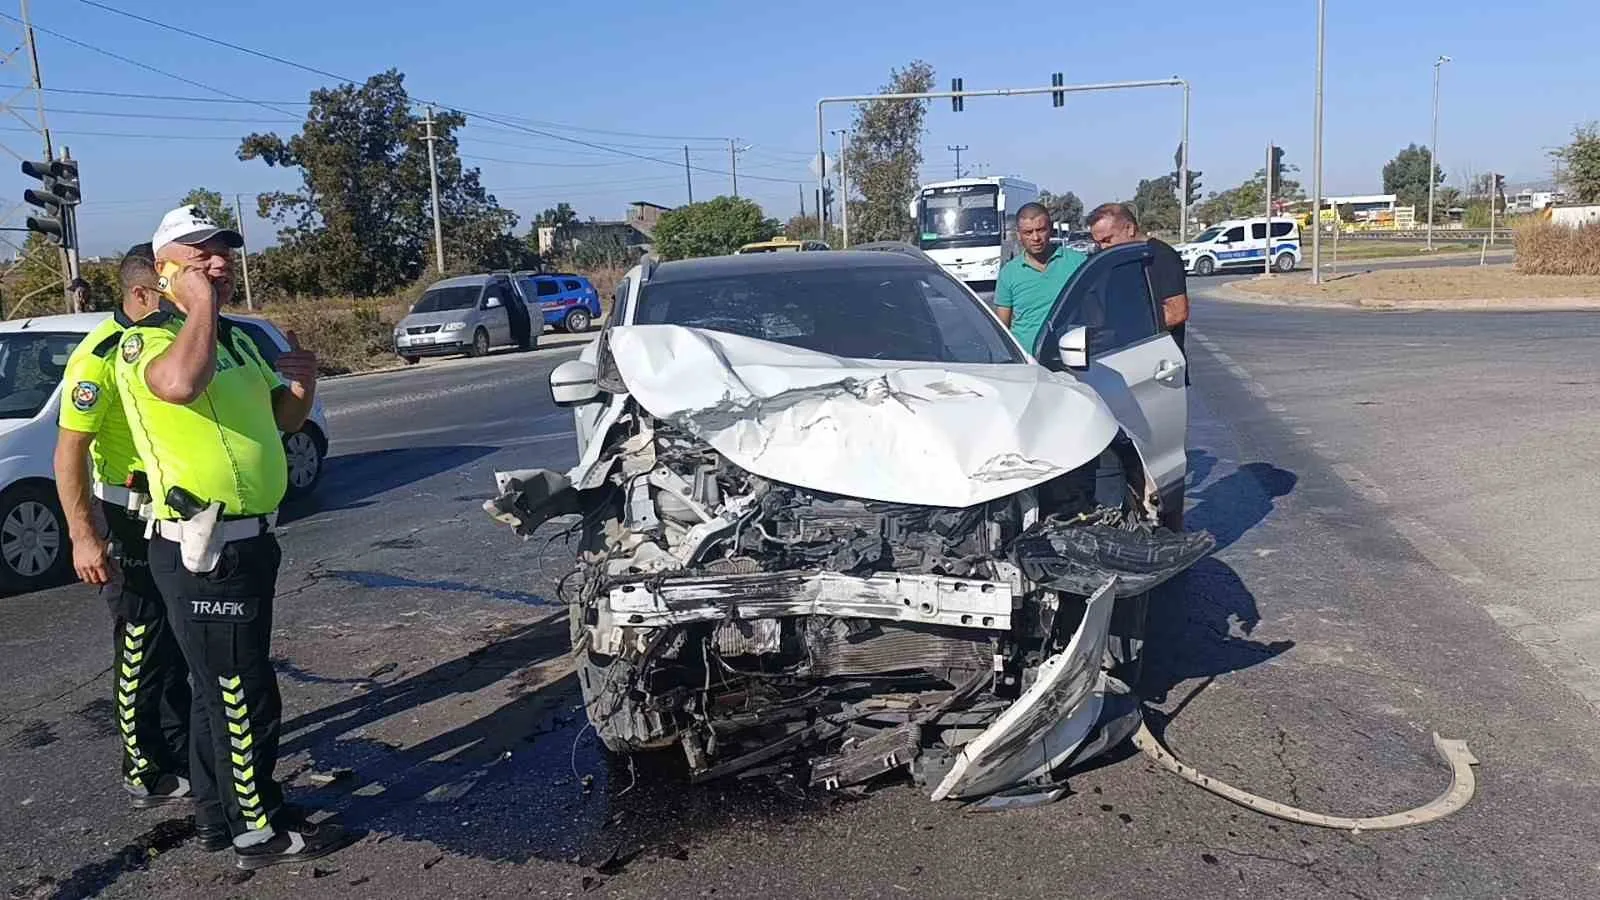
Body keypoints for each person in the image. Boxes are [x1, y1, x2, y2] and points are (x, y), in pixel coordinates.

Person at [111, 205, 349, 870]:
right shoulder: (149, 340)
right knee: (242, 691)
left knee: (219, 687)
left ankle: (220, 820)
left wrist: (302, 382)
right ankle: (257, 829)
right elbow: (181, 385)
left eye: (225, 252)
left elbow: (284, 419)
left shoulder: (240, 339)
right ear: (164, 267)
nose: (219, 263)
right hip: (202, 545)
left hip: (249, 541)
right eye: (200, 254)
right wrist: (193, 307)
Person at [54, 244, 194, 813]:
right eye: (169, 288)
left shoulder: (167, 344)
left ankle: (182, 748)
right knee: (140, 639)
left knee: (177, 640)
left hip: (172, 512)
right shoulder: (100, 357)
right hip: (128, 515)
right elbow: (69, 455)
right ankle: (142, 766)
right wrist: (84, 536)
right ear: (141, 293)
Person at [1086, 202, 1190, 365]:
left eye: (1107, 240)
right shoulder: (1117, 260)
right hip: (1123, 358)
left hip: (1159, 364)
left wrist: (1125, 329)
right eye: (1098, 243)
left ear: (1130, 228)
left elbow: (1177, 313)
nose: (1103, 248)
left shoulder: (1161, 257)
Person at [994, 203, 1088, 354]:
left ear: (1050, 229)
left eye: (1041, 230)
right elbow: (1002, 327)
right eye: (1028, 232)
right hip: (1029, 363)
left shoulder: (1077, 262)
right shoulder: (1008, 273)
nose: (1035, 237)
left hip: (1072, 356)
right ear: (1018, 235)